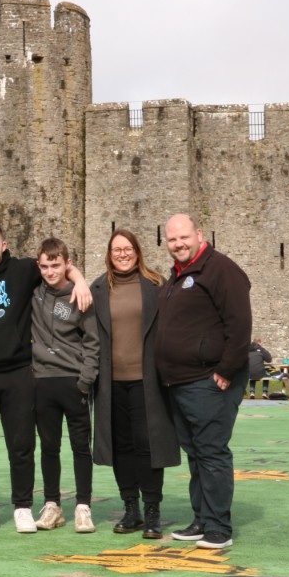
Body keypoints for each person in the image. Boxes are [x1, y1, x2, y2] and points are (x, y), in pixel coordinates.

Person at [0, 221, 90, 534]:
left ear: (4, 245)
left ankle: (22, 507)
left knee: (22, 444)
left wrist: (80, 281)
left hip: (17, 373)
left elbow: (57, 266)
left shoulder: (23, 270)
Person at [155, 214, 252, 549]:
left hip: (207, 380)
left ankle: (219, 527)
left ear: (199, 234)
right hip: (181, 382)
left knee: (211, 452)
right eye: (172, 240)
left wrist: (226, 369)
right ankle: (202, 519)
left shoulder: (220, 269)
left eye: (183, 237)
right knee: (196, 453)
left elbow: (239, 323)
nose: (178, 244)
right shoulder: (178, 276)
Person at [89, 229, 180, 540]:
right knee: (121, 447)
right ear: (109, 254)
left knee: (148, 446)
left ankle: (152, 509)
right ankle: (131, 508)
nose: (123, 254)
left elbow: (173, 328)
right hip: (110, 383)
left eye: (127, 249)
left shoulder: (156, 286)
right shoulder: (98, 288)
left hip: (148, 381)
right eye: (117, 250)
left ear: (138, 252)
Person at [31, 238, 99, 534]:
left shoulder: (80, 296)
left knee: (80, 447)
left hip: (73, 382)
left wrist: (84, 381)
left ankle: (83, 506)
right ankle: (52, 505)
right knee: (48, 447)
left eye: (56, 265)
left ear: (66, 264)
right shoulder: (33, 292)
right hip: (42, 381)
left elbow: (93, 342)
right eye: (45, 266)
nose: (49, 271)